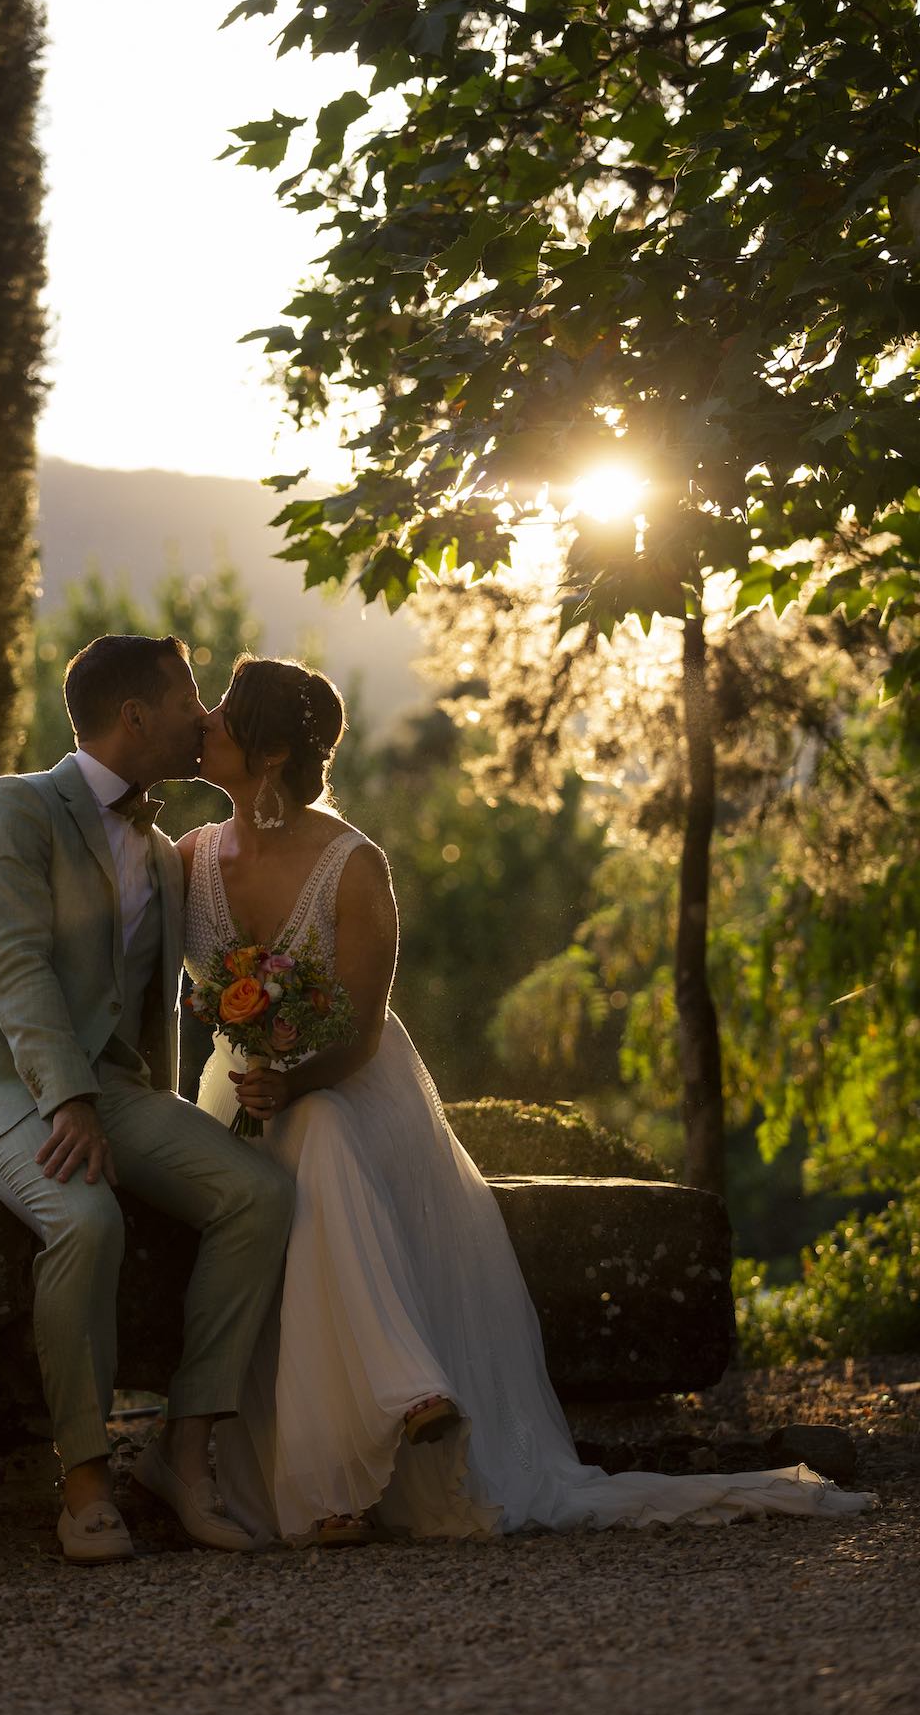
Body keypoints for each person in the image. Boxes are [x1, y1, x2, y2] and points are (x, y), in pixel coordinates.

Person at [181, 654, 877, 1545]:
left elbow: (356, 1037)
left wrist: (293, 1080)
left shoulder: (355, 868)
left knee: (316, 1132)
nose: (203, 721)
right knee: (295, 1148)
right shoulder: (192, 857)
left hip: (346, 1089)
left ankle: (364, 1447)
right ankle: (359, 1442)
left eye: (224, 714)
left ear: (270, 751)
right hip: (236, 1091)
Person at [0, 634, 294, 1563]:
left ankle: (183, 1451)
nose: (204, 717)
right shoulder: (11, 808)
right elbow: (14, 967)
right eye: (190, 699)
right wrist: (68, 1099)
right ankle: (82, 1480)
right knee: (87, 1224)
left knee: (260, 1194)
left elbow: (176, 996)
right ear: (134, 717)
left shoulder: (164, 853)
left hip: (112, 1092)